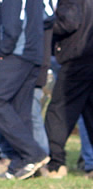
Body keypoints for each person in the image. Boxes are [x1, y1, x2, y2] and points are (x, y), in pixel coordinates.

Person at [0, 0, 49, 179]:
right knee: (21, 109)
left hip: (14, 55)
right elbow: (49, 17)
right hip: (33, 55)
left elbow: (12, 25)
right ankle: (23, 163)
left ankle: (33, 154)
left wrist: (2, 52)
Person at [42, 0, 93, 179]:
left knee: (59, 112)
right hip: (86, 57)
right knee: (89, 113)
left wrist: (45, 23)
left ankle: (55, 165)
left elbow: (69, 22)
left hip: (77, 59)